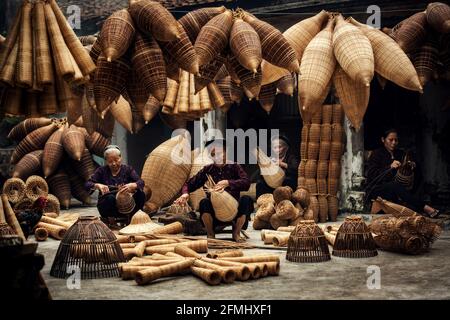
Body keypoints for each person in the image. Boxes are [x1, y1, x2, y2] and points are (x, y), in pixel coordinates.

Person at [174, 139, 253, 242]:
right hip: (214, 213)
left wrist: (228, 183)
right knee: (204, 202)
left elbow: (246, 182)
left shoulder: (234, 167)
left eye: (220, 153)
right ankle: (210, 234)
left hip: (234, 210)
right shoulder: (208, 170)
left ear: (226, 152)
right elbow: (189, 184)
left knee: (246, 200)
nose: (217, 157)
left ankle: (236, 233)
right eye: (213, 154)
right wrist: (185, 194)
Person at [365, 129, 439, 218]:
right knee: (394, 185)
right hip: (377, 189)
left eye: (396, 140)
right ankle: (425, 207)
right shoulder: (376, 154)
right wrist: (390, 167)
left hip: (397, 188)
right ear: (383, 139)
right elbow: (372, 175)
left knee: (416, 177)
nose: (394, 143)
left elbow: (408, 166)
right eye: (390, 140)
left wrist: (411, 166)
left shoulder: (400, 153)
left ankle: (415, 204)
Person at [85, 145, 146, 225]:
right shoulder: (102, 171)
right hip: (110, 207)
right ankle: (111, 220)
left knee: (141, 194)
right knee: (110, 198)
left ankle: (134, 217)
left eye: (116, 160)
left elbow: (141, 182)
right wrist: (98, 185)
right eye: (110, 161)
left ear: (120, 158)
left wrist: (133, 185)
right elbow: (87, 184)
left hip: (127, 205)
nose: (114, 163)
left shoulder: (128, 169)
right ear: (106, 161)